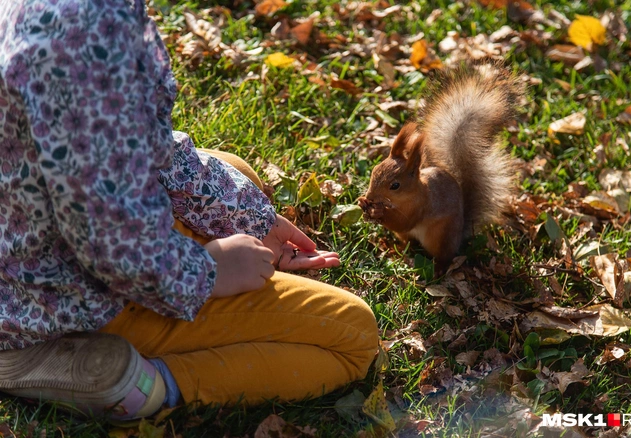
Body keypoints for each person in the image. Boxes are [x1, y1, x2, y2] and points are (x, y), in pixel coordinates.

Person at [0, 0, 379, 421]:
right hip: (67, 295)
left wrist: (250, 216)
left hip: (29, 244)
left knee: (237, 173)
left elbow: (141, 141)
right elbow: (109, 238)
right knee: (353, 335)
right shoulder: (83, 41)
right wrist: (208, 271)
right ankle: (150, 384)